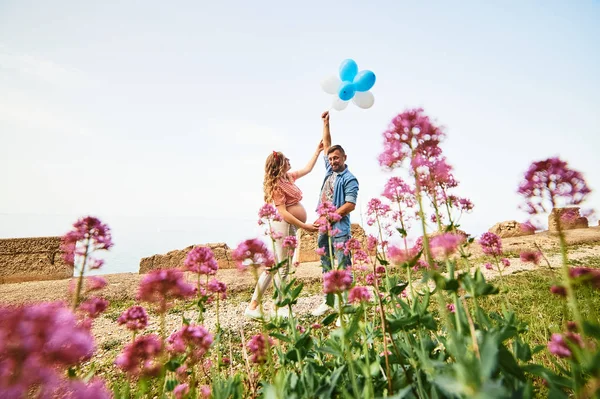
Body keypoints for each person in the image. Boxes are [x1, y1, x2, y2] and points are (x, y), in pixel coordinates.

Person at [244, 141, 323, 319]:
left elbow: (307, 169)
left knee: (273, 267)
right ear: (280, 164)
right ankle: (278, 307)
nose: (289, 160)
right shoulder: (277, 186)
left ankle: (253, 306)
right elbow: (283, 212)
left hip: (288, 226)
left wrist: (317, 151)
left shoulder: (288, 178)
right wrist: (305, 226)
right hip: (284, 225)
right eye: (286, 159)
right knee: (283, 268)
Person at [312, 111, 359, 317]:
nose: (333, 161)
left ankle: (347, 308)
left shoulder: (350, 178)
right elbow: (326, 142)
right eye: (331, 158)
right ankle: (329, 301)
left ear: (344, 158)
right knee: (326, 265)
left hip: (339, 230)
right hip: (324, 228)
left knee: (343, 266)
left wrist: (329, 216)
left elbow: (350, 204)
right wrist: (326, 123)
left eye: (336, 158)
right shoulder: (329, 171)